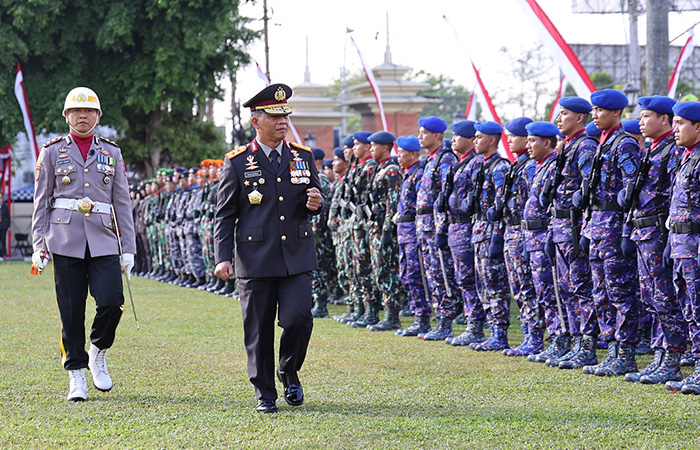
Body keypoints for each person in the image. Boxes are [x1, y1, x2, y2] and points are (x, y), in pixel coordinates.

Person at [214, 83, 323, 413]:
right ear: (256, 121)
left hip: (296, 258)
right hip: (255, 259)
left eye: (285, 116)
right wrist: (222, 258)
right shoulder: (236, 163)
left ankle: (288, 370)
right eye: (275, 116)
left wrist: (317, 204)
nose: (283, 122)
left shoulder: (302, 157)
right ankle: (265, 392)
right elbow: (225, 214)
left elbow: (315, 200)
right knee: (259, 329)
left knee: (300, 318)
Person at [31, 87, 136, 401]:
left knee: (111, 300)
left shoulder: (111, 152)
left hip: (103, 239)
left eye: (88, 111)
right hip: (64, 238)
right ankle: (76, 374)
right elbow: (41, 203)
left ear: (98, 116)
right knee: (71, 310)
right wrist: (39, 244)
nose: (82, 116)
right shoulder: (51, 151)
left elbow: (122, 202)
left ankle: (98, 351)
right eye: (75, 111)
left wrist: (128, 246)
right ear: (66, 116)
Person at [573, 89, 642, 377]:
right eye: (594, 110)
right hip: (598, 227)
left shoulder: (624, 145)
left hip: (614, 229)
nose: (595, 115)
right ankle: (612, 348)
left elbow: (632, 194)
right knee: (600, 292)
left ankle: (625, 353)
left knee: (620, 293)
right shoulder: (602, 144)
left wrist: (628, 233)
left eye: (600, 110)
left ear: (615, 113)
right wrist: (587, 228)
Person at [619, 95, 686, 385]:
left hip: (659, 234)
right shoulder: (652, 150)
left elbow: (675, 197)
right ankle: (660, 357)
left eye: (647, 116)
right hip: (643, 232)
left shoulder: (671, 151)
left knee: (665, 298)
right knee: (651, 298)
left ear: (664, 120)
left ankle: (672, 359)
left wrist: (670, 235)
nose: (641, 122)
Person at [549, 97, 599, 370]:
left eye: (564, 114)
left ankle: (588, 345)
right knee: (568, 288)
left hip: (575, 226)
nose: (559, 119)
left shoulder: (585, 147)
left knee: (581, 287)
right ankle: (576, 340)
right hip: (561, 227)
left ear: (580, 118)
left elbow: (590, 189)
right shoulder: (569, 146)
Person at [664, 101, 700, 394]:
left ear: (697, 126)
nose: (674, 129)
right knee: (690, 305)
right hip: (681, 244)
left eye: (680, 123)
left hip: (695, 244)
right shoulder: (688, 158)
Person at [465, 122, 511, 351]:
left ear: (491, 140)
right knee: (482, 283)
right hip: (479, 230)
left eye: (479, 137)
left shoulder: (499, 167)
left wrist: (497, 237)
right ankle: (492, 331)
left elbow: (502, 205)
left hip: (491, 231)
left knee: (495, 283)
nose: (475, 141)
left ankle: (500, 333)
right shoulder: (482, 166)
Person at [415, 116, 459, 341]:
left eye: (424, 133)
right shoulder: (431, 160)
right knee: (431, 274)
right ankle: (439, 318)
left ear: (437, 136)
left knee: (443, 274)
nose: (420, 136)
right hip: (424, 226)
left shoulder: (446, 159)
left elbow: (446, 197)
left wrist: (442, 229)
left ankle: (446, 321)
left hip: (435, 227)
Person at [442, 120, 486, 347]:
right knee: (462, 278)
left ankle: (476, 326)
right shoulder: (461, 163)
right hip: (455, 228)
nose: (453, 140)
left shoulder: (476, 162)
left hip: (468, 228)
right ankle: (471, 323)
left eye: (458, 136)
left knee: (471, 279)